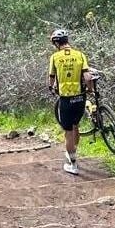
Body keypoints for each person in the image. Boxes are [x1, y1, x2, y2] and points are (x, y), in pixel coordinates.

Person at [47, 28, 94, 175]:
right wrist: (90, 89)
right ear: (67, 40)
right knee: (76, 126)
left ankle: (73, 164)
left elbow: (51, 78)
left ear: (56, 43)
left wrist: (51, 87)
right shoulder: (80, 55)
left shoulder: (55, 57)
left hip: (66, 98)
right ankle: (74, 151)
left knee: (67, 131)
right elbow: (87, 77)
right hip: (80, 97)